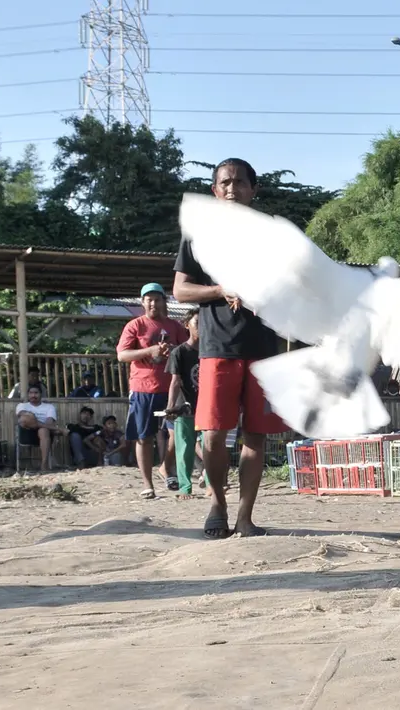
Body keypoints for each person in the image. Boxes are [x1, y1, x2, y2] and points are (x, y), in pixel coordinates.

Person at [173, 157, 287, 539]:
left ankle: (246, 517)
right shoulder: (199, 237)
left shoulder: (272, 235)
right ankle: (217, 503)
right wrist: (221, 290)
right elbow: (181, 290)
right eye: (224, 182)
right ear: (214, 190)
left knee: (256, 436)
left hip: (263, 349)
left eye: (240, 182)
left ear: (254, 190)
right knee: (213, 435)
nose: (232, 189)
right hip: (217, 347)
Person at [116, 282, 188, 499]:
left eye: (157, 299)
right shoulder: (135, 326)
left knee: (179, 432)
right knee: (143, 437)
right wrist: (149, 350)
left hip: (171, 388)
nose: (153, 303)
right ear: (142, 302)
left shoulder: (175, 326)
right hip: (142, 387)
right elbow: (122, 355)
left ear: (164, 301)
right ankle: (147, 484)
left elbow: (187, 350)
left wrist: (173, 350)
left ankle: (166, 466)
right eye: (149, 299)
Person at [165, 312, 201, 500]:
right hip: (184, 406)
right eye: (197, 322)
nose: (201, 326)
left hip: (205, 406)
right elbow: (175, 381)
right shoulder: (179, 352)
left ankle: (212, 483)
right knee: (185, 447)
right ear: (187, 324)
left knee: (209, 445)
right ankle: (185, 487)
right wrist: (171, 408)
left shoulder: (210, 351)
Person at [15, 386, 59, 470]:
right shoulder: (22, 406)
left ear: (41, 394)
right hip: (26, 434)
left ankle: (44, 463)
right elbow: (24, 419)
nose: (33, 395)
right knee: (26, 419)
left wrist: (33, 419)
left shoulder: (49, 407)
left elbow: (49, 422)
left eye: (36, 393)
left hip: (45, 435)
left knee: (43, 430)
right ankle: (58, 430)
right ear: (28, 395)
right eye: (31, 393)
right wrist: (30, 418)